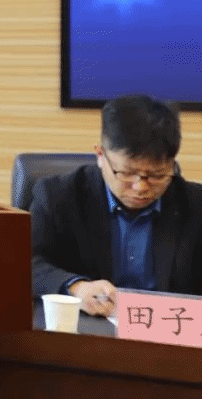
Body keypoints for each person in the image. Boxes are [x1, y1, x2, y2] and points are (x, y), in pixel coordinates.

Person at [30, 94, 202, 316]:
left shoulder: (195, 205)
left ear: (172, 164)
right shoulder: (59, 196)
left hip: (169, 329)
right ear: (100, 155)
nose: (140, 187)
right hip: (87, 327)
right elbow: (26, 263)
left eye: (157, 175)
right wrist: (76, 287)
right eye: (127, 173)